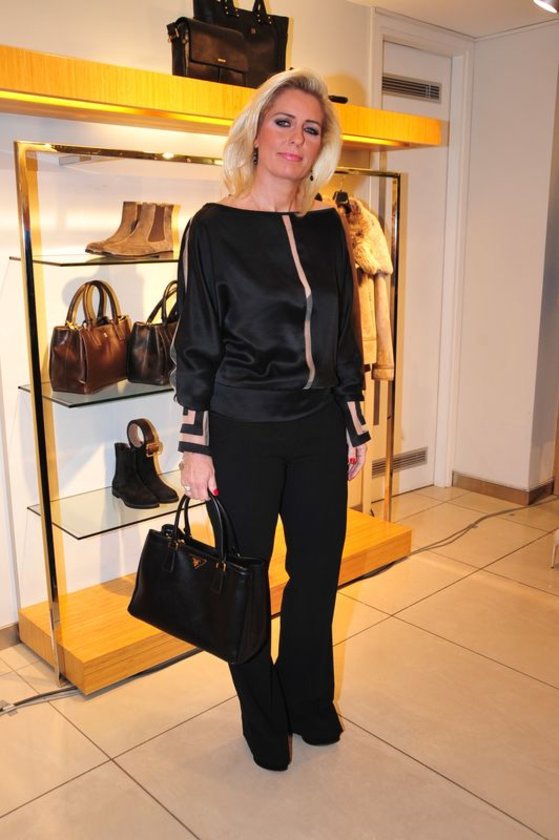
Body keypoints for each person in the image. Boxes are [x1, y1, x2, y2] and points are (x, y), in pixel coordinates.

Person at [172, 68, 370, 772]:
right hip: (241, 430)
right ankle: (261, 714)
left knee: (316, 573)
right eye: (283, 122)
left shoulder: (327, 227)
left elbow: (344, 333)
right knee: (246, 580)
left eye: (310, 128)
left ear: (321, 145)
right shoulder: (212, 228)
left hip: (316, 427)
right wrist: (196, 444)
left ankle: (306, 701)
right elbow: (197, 340)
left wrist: (350, 420)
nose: (295, 138)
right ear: (256, 132)